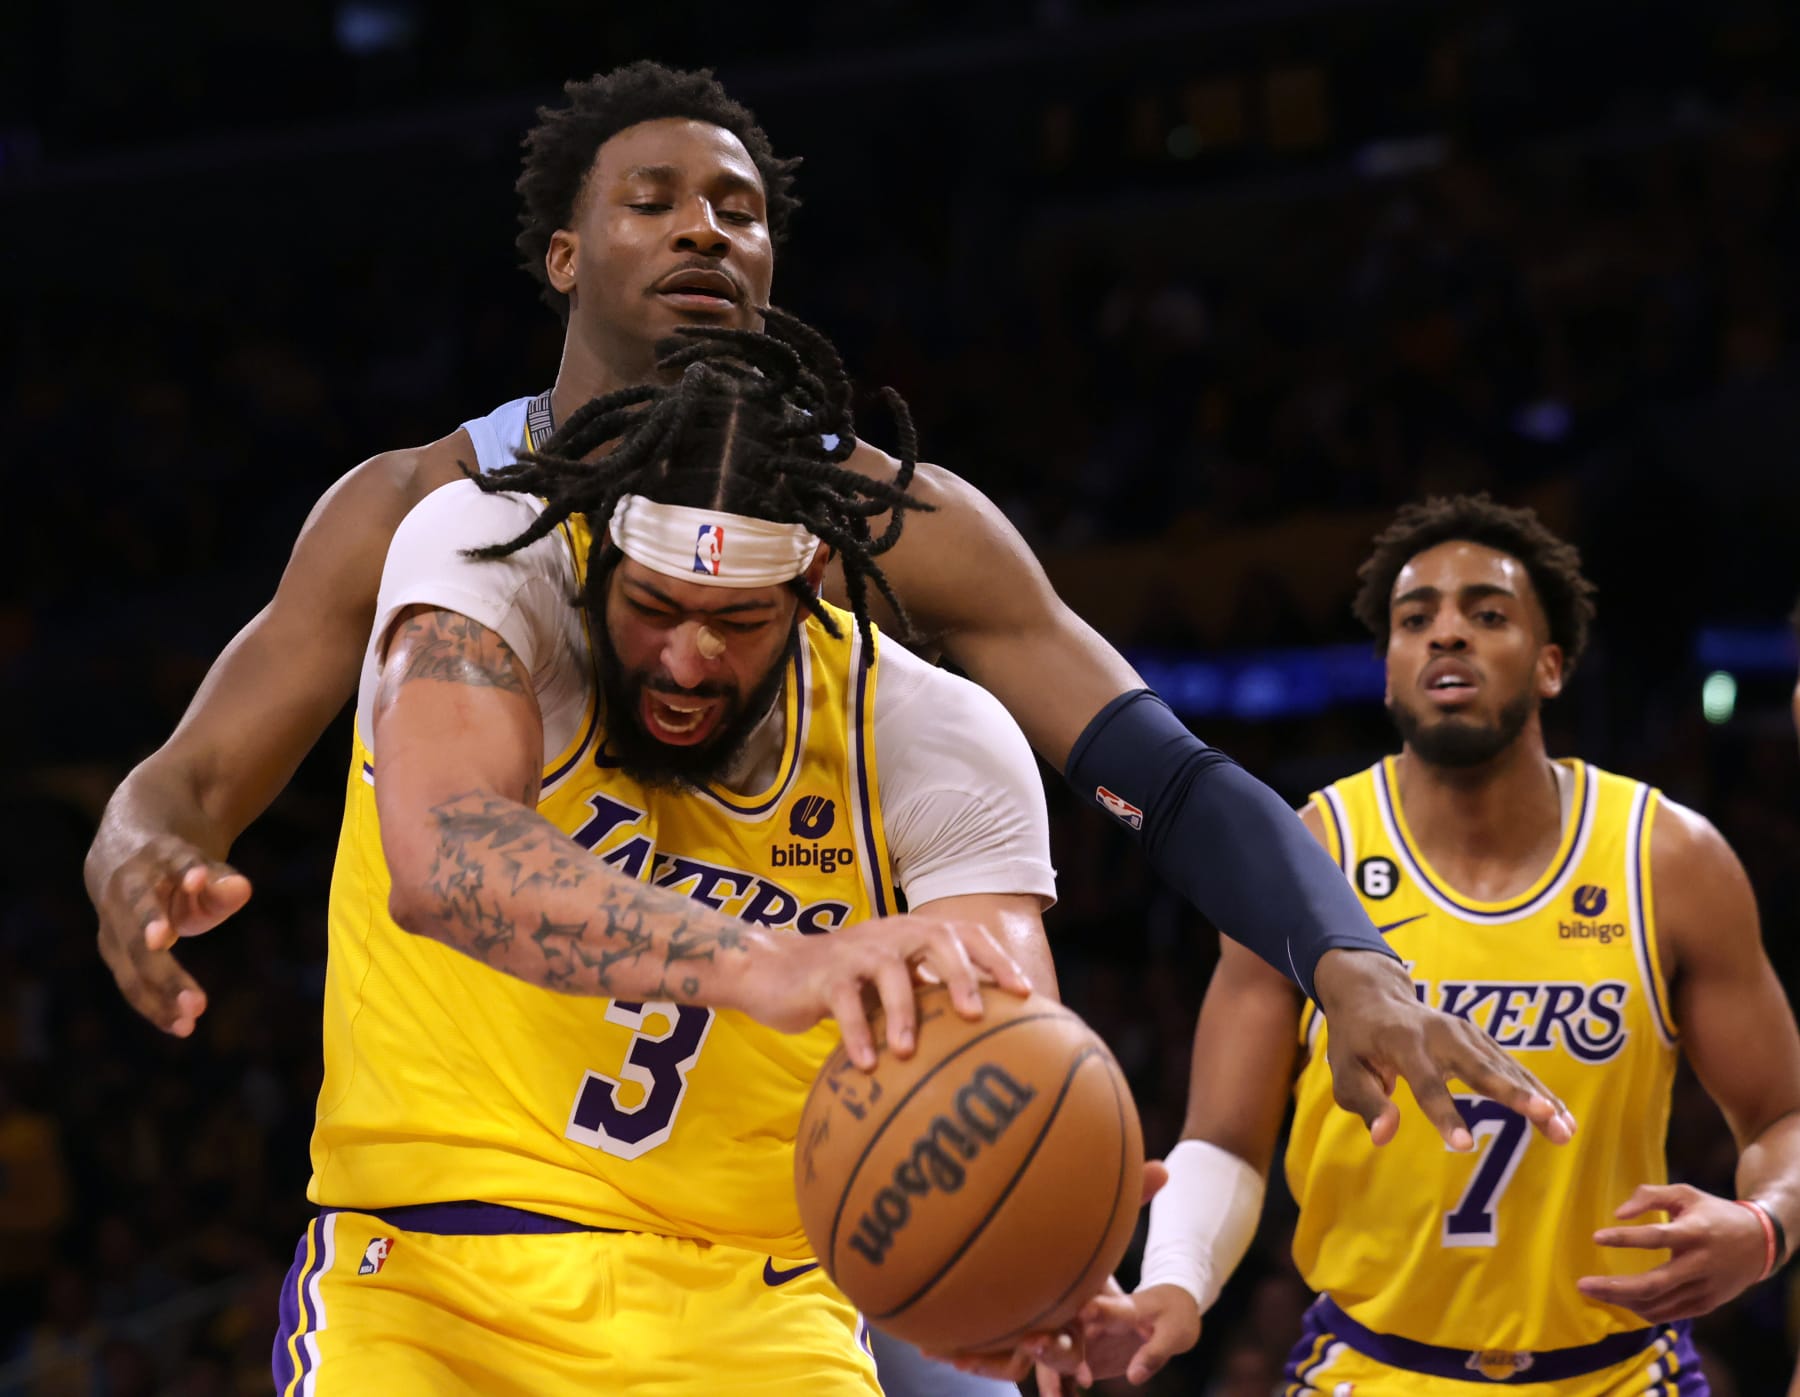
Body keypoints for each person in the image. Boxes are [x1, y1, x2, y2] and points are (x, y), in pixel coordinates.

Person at [84, 61, 1564, 1394]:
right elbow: (218, 787)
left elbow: (1159, 784)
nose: (701, 230)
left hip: (760, 1282)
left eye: (737, 207)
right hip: (445, 1251)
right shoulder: (444, 520)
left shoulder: (898, 561)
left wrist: (1347, 965)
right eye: (651, 200)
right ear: (561, 253)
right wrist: (140, 853)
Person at [268, 315, 1071, 1394]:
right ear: (604, 545)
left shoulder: (930, 738)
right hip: (434, 1273)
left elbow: (1005, 1054)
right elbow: (443, 853)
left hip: (762, 1301)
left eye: (738, 622)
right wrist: (770, 962)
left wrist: (1038, 1250)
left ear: (814, 575)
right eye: (651, 607)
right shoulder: (493, 566)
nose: (686, 660)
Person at [1060, 494, 1800, 1394]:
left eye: (1487, 614)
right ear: (1388, 672)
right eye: (1417, 620)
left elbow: (1782, 1116)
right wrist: (1174, 1281)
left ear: (1551, 664)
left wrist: (1764, 1226)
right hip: (1375, 1369)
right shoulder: (1309, 852)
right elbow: (1223, 1134)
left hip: (1617, 1370)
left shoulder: (1670, 857)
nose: (1447, 633)